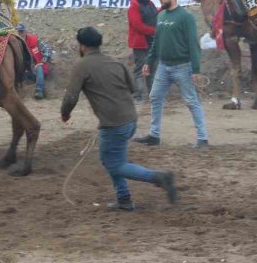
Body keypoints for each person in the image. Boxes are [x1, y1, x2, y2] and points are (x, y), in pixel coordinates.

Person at [61, 26, 177, 211]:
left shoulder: (82, 66)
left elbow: (70, 97)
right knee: (114, 161)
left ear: (82, 46)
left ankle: (158, 177)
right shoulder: (115, 63)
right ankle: (124, 199)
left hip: (113, 124)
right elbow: (132, 88)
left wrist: (65, 114)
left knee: (114, 165)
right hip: (130, 119)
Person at [135, 0, 209, 148]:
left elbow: (193, 44)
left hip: (182, 66)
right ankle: (154, 135)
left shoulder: (186, 17)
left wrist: (196, 69)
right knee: (155, 97)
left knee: (191, 100)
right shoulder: (161, 16)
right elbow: (156, 42)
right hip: (163, 66)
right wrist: (149, 61)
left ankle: (203, 138)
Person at [127, 0, 158, 100]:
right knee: (140, 68)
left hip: (151, 42)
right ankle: (137, 94)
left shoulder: (150, 4)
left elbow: (155, 16)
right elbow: (137, 25)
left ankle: (153, 93)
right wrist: (154, 31)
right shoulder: (133, 7)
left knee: (152, 67)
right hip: (140, 43)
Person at [17, 23, 52, 100]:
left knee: (39, 67)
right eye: (18, 32)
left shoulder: (35, 40)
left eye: (21, 31)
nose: (20, 34)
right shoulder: (15, 44)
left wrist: (42, 62)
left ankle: (39, 91)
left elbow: (47, 49)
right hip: (25, 72)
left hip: (39, 69)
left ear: (25, 31)